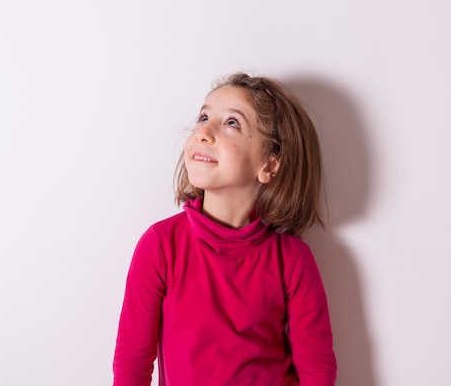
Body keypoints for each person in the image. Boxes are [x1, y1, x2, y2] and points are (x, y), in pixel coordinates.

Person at [113, 73, 337, 386]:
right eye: (203, 117)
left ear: (270, 165)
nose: (203, 131)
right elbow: (132, 365)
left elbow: (318, 373)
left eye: (232, 122)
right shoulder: (160, 246)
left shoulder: (293, 260)